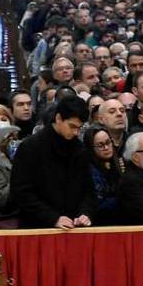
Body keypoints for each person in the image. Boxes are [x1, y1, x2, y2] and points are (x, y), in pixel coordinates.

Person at [9, 95, 97, 229]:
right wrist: (52, 218)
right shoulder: (31, 147)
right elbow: (21, 192)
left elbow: (88, 190)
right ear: (58, 118)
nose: (75, 132)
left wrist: (85, 213)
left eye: (79, 128)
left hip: (73, 226)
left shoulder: (79, 149)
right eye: (72, 126)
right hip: (37, 227)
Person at [81, 122, 123, 224]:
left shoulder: (119, 162)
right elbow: (96, 204)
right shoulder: (88, 171)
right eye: (100, 145)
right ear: (91, 148)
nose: (106, 148)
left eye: (108, 142)